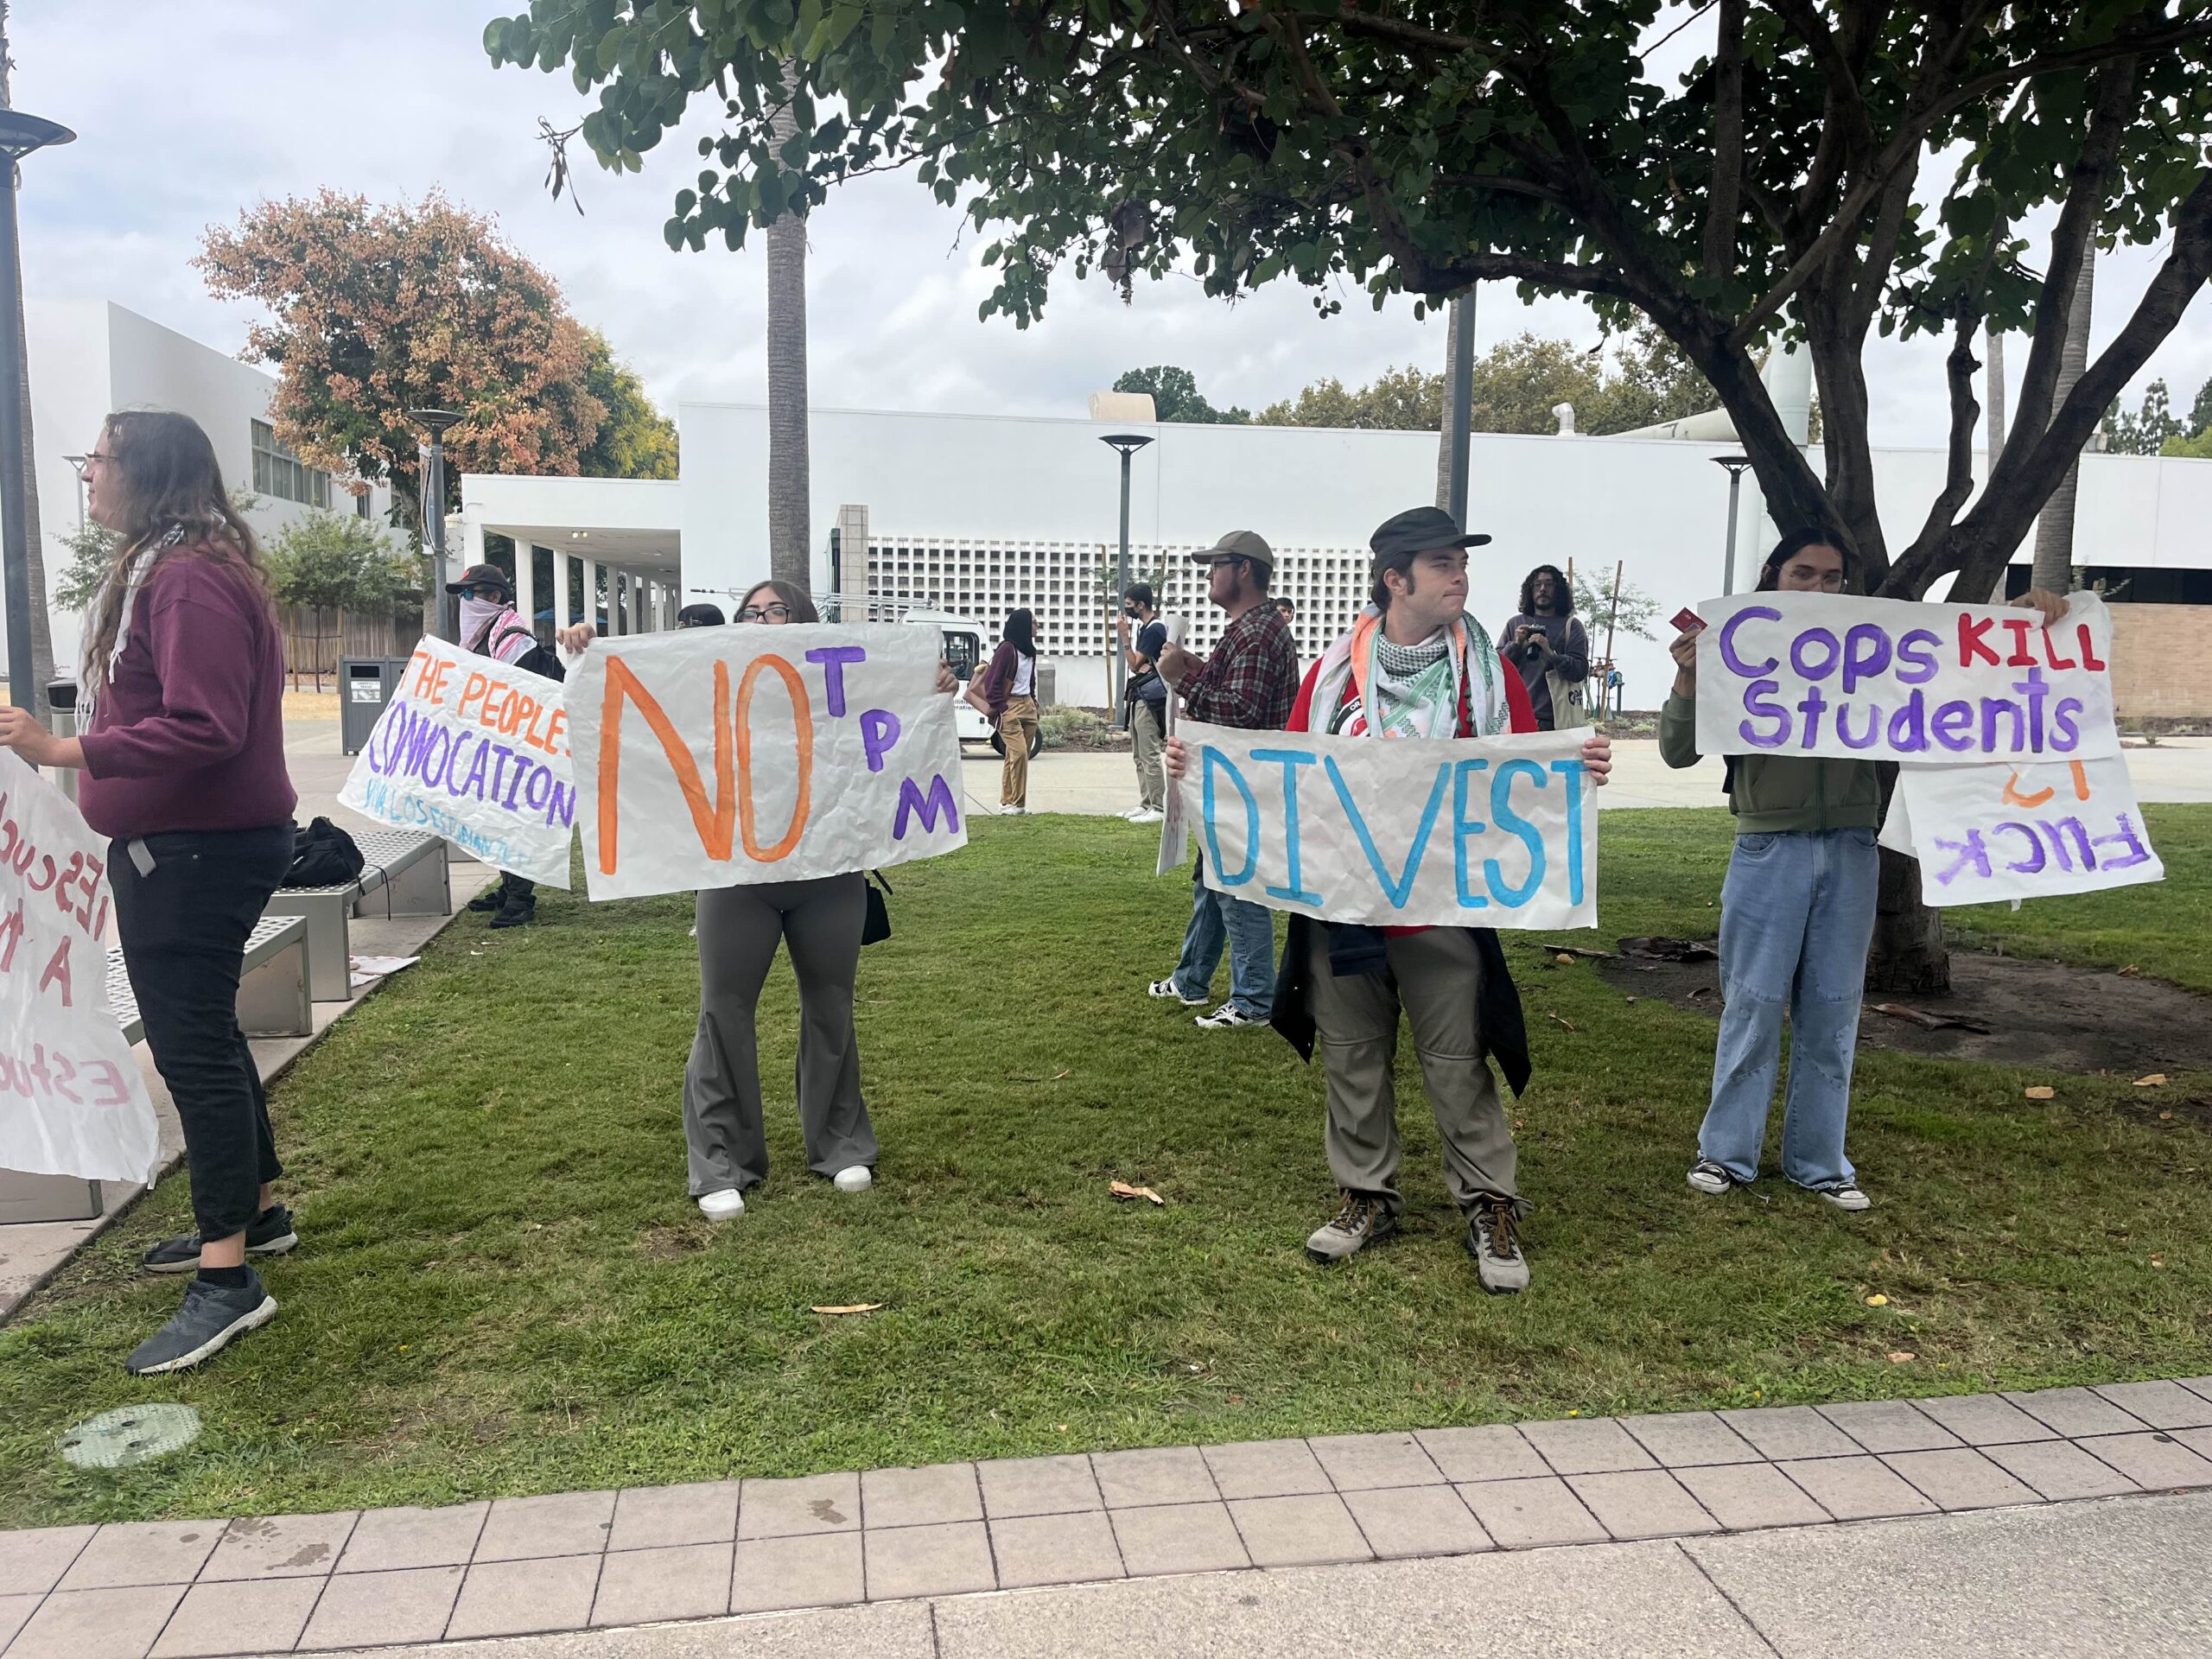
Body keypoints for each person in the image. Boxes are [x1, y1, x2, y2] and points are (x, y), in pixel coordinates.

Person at [1170, 505, 1611, 1292]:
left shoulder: (1491, 671)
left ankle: (1489, 1202)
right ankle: (1365, 1194)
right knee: (1353, 1056)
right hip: (1347, 899)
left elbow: (1522, 766)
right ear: (1395, 579)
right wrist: (1197, 765)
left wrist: (1578, 768)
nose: (1461, 578)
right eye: (1443, 565)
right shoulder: (1336, 672)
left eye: (1462, 564)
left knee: (1456, 1060)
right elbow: (1291, 773)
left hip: (1441, 904)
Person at [0, 410, 299, 1374]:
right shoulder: (171, 568)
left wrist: (64, 750)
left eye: (101, 460)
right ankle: (255, 1218)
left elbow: (203, 724)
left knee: (190, 1051)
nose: (88, 474)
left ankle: (227, 1279)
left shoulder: (186, 580)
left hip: (198, 850)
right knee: (205, 1037)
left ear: (149, 474)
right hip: (188, 846)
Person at [1662, 533, 2069, 1211]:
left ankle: (1820, 1163)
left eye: (1833, 577)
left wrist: (2017, 624)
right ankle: (1726, 1156)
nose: (1819, 588)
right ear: (1772, 577)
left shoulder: (1869, 652)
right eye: (1804, 573)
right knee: (1754, 1006)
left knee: (1833, 1010)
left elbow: (1952, 671)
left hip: (1853, 846)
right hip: (1769, 848)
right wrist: (1686, 678)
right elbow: (1676, 752)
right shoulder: (1738, 645)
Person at [556, 580, 957, 1221]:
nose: (764, 619)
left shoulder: (840, 685)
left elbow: (898, 723)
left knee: (831, 1007)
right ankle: (720, 1159)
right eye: (753, 611)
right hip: (735, 876)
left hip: (828, 874)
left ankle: (840, 1142)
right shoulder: (708, 683)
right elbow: (636, 709)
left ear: (802, 620)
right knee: (724, 1011)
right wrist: (583, 655)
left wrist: (927, 688)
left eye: (778, 610)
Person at [1149, 531, 1300, 1029]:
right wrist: (1189, 667)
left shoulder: (1257, 632)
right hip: (1233, 780)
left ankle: (1255, 999)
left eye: (1217, 565)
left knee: (1237, 888)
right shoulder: (1249, 628)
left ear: (1244, 570)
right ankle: (1192, 978)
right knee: (1212, 882)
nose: (1209, 573)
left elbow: (1242, 712)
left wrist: (1184, 678)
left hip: (1244, 783)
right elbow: (1226, 688)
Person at [448, 562, 567, 929]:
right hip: (493, 745)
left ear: (493, 597)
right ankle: (507, 888)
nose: (464, 601)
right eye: (462, 594)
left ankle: (520, 900)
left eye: (470, 593)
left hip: (517, 749)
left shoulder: (513, 639)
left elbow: (525, 698)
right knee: (494, 822)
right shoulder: (481, 636)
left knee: (513, 823)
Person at [966, 607, 1042, 817]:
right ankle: (1018, 804)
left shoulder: (1030, 651)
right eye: (1034, 623)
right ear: (1024, 626)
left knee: (1014, 757)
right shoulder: (1007, 650)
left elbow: (1030, 680)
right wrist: (1001, 707)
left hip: (1027, 705)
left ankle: (1006, 802)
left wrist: (1034, 703)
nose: (1037, 627)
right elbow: (992, 684)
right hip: (1009, 706)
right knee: (1019, 754)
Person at [1500, 564, 1589, 731]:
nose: (1542, 589)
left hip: (1556, 720)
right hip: (1516, 717)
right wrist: (1516, 645)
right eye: (1537, 584)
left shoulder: (1571, 626)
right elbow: (1496, 669)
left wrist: (1551, 654)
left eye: (1549, 584)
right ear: (1530, 589)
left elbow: (1580, 670)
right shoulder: (1515, 624)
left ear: (1559, 590)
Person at [1118, 582, 1168, 825]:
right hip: (1141, 694)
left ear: (1141, 604)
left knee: (1149, 752)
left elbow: (1134, 664)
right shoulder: (1146, 628)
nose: (1127, 610)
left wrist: (1125, 638)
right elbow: (1138, 664)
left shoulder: (1154, 630)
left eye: (1130, 605)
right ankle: (1146, 802)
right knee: (1139, 753)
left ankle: (1157, 806)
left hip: (1149, 697)